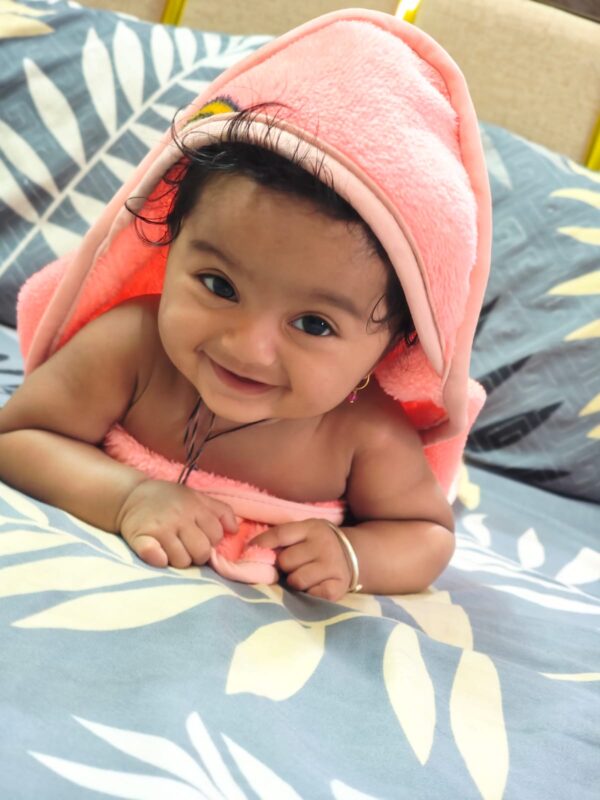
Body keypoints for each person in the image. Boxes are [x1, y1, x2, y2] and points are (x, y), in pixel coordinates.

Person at [0, 10, 491, 601]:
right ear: (169, 246)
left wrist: (354, 555)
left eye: (313, 324)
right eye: (219, 285)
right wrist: (127, 495)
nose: (248, 347)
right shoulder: (132, 347)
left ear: (389, 347)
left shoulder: (365, 434)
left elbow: (426, 535)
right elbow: (18, 436)